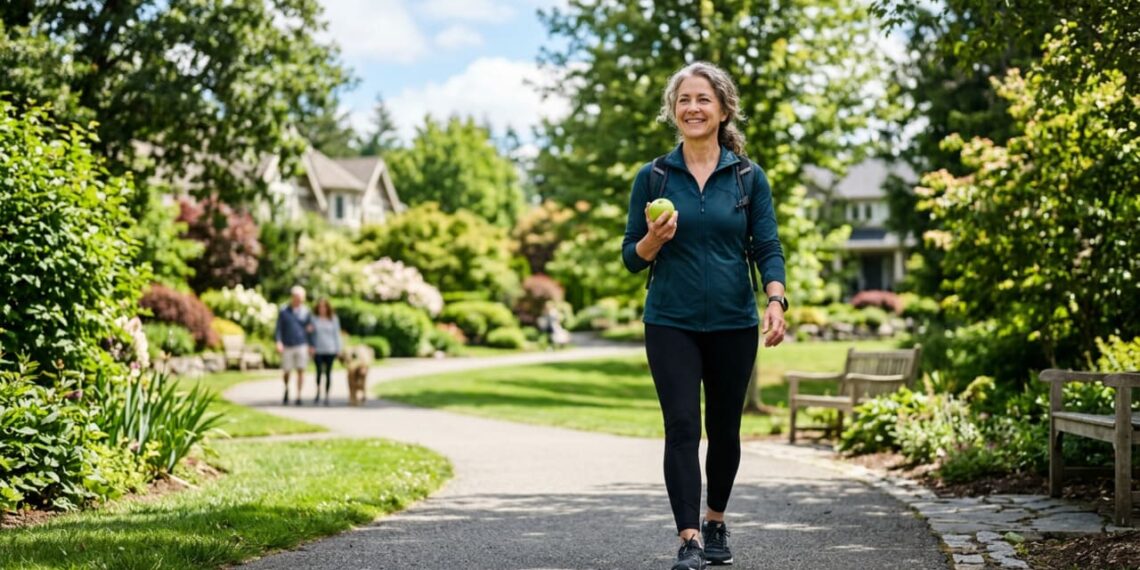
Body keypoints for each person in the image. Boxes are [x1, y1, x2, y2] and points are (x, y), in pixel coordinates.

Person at [621, 61, 788, 570]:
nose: (692, 108)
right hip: (670, 321)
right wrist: (653, 240)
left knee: (725, 429)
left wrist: (775, 299)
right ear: (673, 111)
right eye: (684, 100)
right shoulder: (653, 176)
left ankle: (715, 520)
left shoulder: (747, 177)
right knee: (681, 426)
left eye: (703, 99)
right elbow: (631, 257)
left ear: (723, 110)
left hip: (734, 323)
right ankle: (689, 539)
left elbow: (767, 246)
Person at [274, 285, 313, 406]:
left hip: (301, 344)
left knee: (301, 370)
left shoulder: (306, 312)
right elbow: (278, 328)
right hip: (287, 345)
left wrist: (311, 344)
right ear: (292, 297)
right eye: (297, 297)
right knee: (287, 371)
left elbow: (310, 329)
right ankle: (286, 388)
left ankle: (299, 396)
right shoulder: (284, 311)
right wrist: (278, 341)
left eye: (301, 298)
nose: (299, 300)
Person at [309, 298, 342, 406]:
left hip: (330, 349)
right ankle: (318, 392)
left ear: (327, 308)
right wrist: (311, 346)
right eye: (320, 307)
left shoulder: (333, 319)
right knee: (318, 371)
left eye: (324, 307)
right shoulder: (314, 319)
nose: (322, 309)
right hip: (318, 350)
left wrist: (338, 349)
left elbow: (337, 335)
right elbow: (310, 334)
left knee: (328, 373)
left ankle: (327, 395)